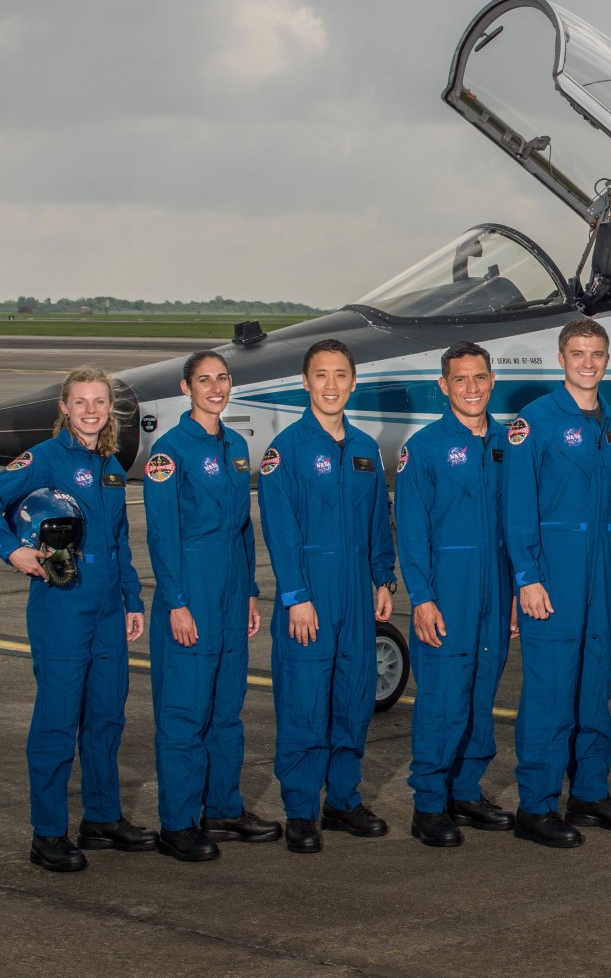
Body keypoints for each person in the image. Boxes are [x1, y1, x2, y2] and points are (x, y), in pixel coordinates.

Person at [0, 366, 149, 872]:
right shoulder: (43, 459)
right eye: (81, 402)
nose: (92, 410)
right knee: (57, 721)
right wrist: (13, 552)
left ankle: (103, 819)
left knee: (107, 717)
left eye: (99, 402)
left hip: (108, 608)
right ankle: (47, 833)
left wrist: (132, 600)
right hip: (62, 604)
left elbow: (118, 540)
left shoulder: (111, 464)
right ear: (65, 409)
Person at [505, 318, 611, 848]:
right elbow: (518, 507)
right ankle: (536, 804)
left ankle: (588, 792)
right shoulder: (534, 422)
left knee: (594, 688)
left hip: (602, 577)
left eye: (597, 353)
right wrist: (528, 578)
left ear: (607, 359)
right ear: (561, 358)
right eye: (578, 353)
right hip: (554, 575)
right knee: (549, 692)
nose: (588, 362)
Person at [257, 338, 397, 853]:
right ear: (305, 382)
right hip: (310, 594)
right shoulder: (285, 453)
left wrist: (384, 579)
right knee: (305, 703)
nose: (331, 385)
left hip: (358, 596)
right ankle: (300, 810)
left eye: (341, 375)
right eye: (321, 375)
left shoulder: (364, 449)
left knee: (354, 699)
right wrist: (296, 596)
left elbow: (379, 522)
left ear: (353, 381)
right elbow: (281, 530)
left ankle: (342, 801)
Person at [141, 352, 282, 862]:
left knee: (227, 710)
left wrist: (248, 591)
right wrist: (176, 602)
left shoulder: (237, 446)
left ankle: (222, 807)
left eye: (222, 379)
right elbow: (162, 535)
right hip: (191, 589)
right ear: (187, 388)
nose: (216, 388)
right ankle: (178, 822)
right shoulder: (169, 452)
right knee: (184, 712)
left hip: (229, 589)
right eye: (205, 380)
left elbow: (242, 527)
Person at [396, 341, 518, 848]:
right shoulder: (422, 449)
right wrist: (422, 597)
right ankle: (429, 804)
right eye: (460, 380)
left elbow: (515, 525)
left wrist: (513, 593)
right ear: (443, 386)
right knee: (443, 700)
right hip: (447, 592)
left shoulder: (508, 443)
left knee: (481, 694)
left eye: (480, 378)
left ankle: (465, 791)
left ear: (492, 381)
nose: (472, 388)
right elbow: (411, 528)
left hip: (496, 590)